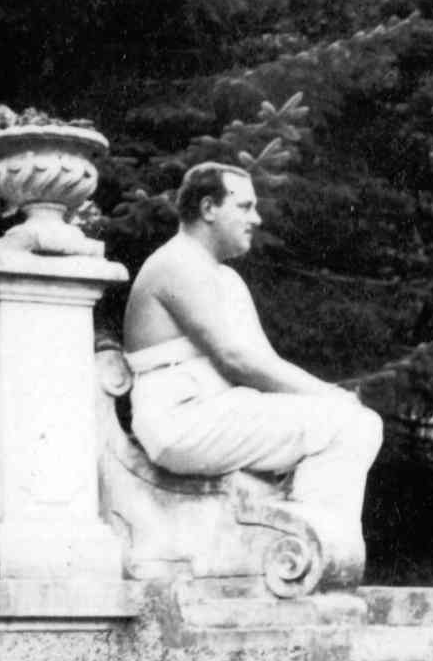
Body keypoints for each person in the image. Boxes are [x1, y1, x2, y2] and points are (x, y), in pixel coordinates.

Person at [122, 162, 382, 558]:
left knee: (355, 423)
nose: (255, 219)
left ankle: (306, 549)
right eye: (244, 207)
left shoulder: (224, 278)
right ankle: (306, 553)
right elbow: (235, 360)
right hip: (180, 419)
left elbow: (262, 361)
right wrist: (330, 395)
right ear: (209, 208)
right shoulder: (175, 263)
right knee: (348, 424)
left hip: (218, 410)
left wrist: (327, 397)